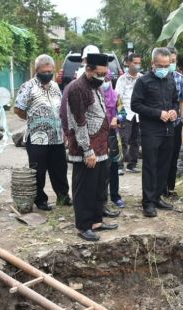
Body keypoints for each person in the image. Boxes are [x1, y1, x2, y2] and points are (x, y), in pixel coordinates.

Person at [65, 53, 119, 241]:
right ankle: (83, 225)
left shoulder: (94, 86)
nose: (102, 78)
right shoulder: (77, 89)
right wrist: (87, 150)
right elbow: (78, 122)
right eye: (99, 73)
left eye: (105, 74)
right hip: (85, 150)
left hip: (100, 147)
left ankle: (96, 221)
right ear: (88, 70)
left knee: (98, 187)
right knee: (85, 188)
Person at [14, 54, 71, 212]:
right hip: (37, 138)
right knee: (38, 171)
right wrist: (33, 118)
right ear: (36, 70)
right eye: (44, 71)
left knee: (60, 168)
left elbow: (61, 108)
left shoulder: (54, 86)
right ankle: (40, 200)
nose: (47, 73)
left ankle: (63, 196)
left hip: (57, 137)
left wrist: (64, 131)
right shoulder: (28, 87)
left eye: (50, 71)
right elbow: (18, 109)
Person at [131, 47, 179, 217]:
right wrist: (158, 114)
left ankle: (158, 196)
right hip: (151, 130)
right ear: (153, 64)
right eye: (160, 65)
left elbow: (175, 101)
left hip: (168, 130)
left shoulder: (171, 80)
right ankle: (148, 202)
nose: (164, 69)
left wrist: (174, 111)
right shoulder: (143, 81)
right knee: (150, 166)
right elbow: (135, 105)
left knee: (164, 165)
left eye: (167, 65)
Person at [164, 46, 183, 199]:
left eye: (173, 61)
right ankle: (159, 187)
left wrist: (182, 115)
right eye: (168, 61)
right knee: (162, 157)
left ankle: (170, 188)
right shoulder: (156, 78)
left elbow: (182, 99)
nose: (171, 64)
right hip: (160, 123)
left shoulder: (179, 78)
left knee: (173, 156)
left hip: (176, 123)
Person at [101, 70, 126, 209]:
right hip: (98, 137)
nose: (105, 83)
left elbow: (123, 113)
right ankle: (101, 198)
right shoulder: (94, 95)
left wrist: (117, 118)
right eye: (102, 79)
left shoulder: (116, 95)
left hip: (112, 136)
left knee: (114, 167)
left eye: (107, 79)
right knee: (100, 169)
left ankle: (115, 196)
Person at [115, 53, 143, 173]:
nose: (137, 65)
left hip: (139, 114)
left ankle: (132, 164)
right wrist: (120, 116)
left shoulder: (142, 78)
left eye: (139, 63)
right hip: (126, 112)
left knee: (136, 140)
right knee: (123, 140)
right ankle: (119, 166)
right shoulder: (122, 79)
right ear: (128, 63)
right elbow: (118, 98)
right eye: (135, 63)